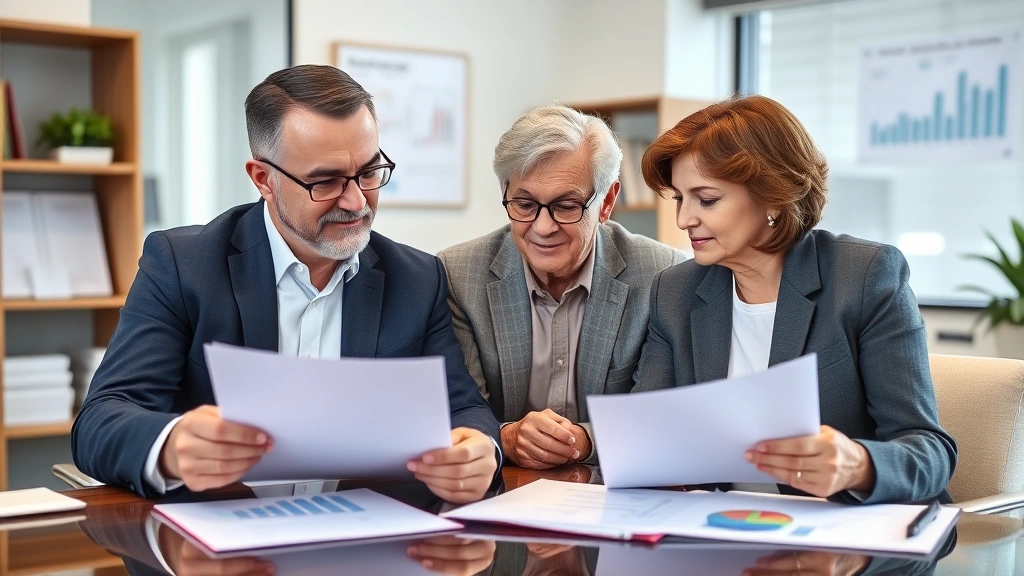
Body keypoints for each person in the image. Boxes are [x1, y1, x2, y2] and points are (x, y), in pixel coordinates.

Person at [71, 65, 501, 503]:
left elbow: (463, 410)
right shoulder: (184, 265)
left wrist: (481, 448)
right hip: (217, 553)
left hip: (366, 543)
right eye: (325, 181)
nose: (356, 202)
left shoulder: (417, 278)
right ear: (264, 179)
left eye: (369, 173)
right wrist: (171, 445)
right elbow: (100, 420)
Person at [632, 95, 956, 504]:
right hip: (726, 534)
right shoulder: (674, 292)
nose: (684, 220)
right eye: (679, 198)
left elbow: (930, 450)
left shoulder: (865, 276)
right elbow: (642, 441)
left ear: (772, 196)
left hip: (855, 543)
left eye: (707, 199)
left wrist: (857, 464)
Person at [439, 105, 683, 469]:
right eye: (524, 204)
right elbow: (458, 409)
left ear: (607, 202)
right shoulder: (457, 275)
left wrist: (584, 440)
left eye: (566, 206)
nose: (543, 227)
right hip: (500, 491)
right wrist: (506, 436)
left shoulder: (662, 276)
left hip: (615, 494)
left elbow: (657, 414)